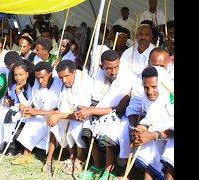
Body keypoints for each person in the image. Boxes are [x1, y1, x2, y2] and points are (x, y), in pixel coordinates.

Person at [76, 50, 131, 180]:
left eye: (116, 67)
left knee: (109, 128)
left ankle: (108, 170)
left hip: (120, 116)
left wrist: (91, 111)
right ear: (102, 67)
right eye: (109, 68)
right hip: (99, 112)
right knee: (86, 124)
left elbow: (120, 108)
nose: (114, 72)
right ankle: (97, 165)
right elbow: (93, 101)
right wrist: (87, 110)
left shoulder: (127, 78)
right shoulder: (99, 76)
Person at [43, 60, 94, 175]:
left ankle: (80, 158)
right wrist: (58, 115)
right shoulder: (65, 84)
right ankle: (72, 154)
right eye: (61, 78)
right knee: (54, 123)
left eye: (67, 76)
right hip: (71, 114)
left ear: (74, 72)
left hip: (85, 117)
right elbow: (63, 106)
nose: (64, 80)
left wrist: (60, 115)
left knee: (78, 125)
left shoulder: (83, 82)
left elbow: (81, 114)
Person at [11, 61, 63, 165]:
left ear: (50, 74)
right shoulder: (37, 85)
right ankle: (26, 155)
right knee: (31, 121)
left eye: (43, 77)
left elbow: (59, 110)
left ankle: (49, 159)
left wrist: (36, 112)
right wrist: (30, 112)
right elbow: (33, 104)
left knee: (53, 125)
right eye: (38, 78)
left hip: (56, 117)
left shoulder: (58, 84)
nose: (40, 80)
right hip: (40, 115)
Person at [132, 66, 174, 180]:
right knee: (147, 144)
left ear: (161, 84)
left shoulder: (171, 99)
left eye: (154, 87)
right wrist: (140, 129)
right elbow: (149, 120)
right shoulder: (147, 98)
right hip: (160, 137)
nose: (150, 92)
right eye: (146, 87)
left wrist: (153, 135)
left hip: (171, 140)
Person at [2, 60, 35, 156]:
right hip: (19, 111)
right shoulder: (15, 85)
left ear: (27, 74)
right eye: (15, 75)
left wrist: (19, 91)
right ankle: (9, 143)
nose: (18, 78)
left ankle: (17, 145)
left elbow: (28, 106)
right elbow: (16, 103)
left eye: (21, 75)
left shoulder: (32, 86)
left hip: (31, 113)